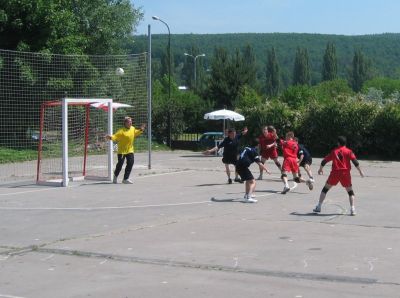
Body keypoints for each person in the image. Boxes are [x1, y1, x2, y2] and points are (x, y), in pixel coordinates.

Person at [313, 136, 364, 216]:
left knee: (325, 189)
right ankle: (352, 209)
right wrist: (360, 171)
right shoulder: (349, 151)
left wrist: (320, 169)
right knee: (350, 192)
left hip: (335, 173)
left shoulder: (334, 151)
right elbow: (355, 162)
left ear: (338, 143)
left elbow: (324, 161)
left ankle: (319, 206)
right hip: (345, 173)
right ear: (345, 143)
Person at [106, 116, 145, 184]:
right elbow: (115, 136)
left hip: (130, 150)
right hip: (122, 151)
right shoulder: (121, 131)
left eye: (131, 121)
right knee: (120, 164)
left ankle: (125, 179)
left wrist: (141, 130)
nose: (131, 123)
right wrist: (110, 137)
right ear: (125, 123)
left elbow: (135, 133)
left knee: (130, 163)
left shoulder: (132, 128)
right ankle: (115, 176)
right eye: (129, 122)